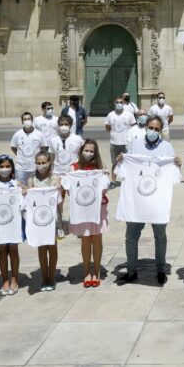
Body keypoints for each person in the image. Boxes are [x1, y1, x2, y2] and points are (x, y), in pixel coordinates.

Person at [118, 116, 181, 285]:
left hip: (157, 200)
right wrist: (121, 161)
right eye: (150, 128)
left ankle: (160, 269)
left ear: (160, 131)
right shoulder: (135, 145)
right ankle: (131, 271)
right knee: (131, 236)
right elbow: (126, 170)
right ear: (146, 127)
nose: (153, 131)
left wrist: (177, 164)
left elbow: (173, 175)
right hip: (137, 200)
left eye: (156, 129)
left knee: (160, 236)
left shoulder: (167, 148)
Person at [70, 139, 110, 287]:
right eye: (86, 150)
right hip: (82, 210)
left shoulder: (100, 167)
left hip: (98, 209)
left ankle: (97, 270)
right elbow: (70, 190)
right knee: (85, 240)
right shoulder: (73, 168)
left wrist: (105, 175)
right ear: (81, 151)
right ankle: (87, 271)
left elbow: (105, 189)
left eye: (91, 151)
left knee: (97, 239)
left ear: (96, 152)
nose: (88, 153)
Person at [0, 155, 25, 296]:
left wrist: (25, 192)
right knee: (1, 251)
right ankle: (5, 280)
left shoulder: (17, 184)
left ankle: (15, 278)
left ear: (12, 168)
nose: (5, 169)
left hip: (13, 223)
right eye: (1, 167)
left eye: (7, 166)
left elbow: (25, 200)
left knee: (13, 250)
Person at [27, 151, 61, 291]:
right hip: (38, 218)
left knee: (52, 247)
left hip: (52, 217)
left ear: (49, 163)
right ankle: (44, 276)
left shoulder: (55, 178)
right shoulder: (31, 180)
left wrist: (59, 190)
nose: (41, 166)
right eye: (38, 163)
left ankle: (51, 276)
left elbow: (60, 198)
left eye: (44, 163)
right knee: (41, 247)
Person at [49, 115, 83, 238]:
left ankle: (77, 225)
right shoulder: (54, 140)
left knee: (76, 201)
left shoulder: (77, 139)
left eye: (66, 124)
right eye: (61, 124)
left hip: (73, 175)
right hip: (58, 174)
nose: (64, 126)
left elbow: (82, 156)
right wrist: (51, 173)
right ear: (58, 125)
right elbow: (51, 157)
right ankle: (59, 226)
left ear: (70, 125)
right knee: (58, 202)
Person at [104, 97, 135, 188]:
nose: (119, 104)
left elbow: (133, 126)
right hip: (114, 143)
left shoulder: (129, 114)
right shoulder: (110, 115)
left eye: (121, 102)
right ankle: (113, 181)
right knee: (115, 163)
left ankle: (128, 181)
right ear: (115, 103)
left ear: (123, 104)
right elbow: (107, 126)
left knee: (128, 163)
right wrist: (114, 133)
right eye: (117, 102)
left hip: (126, 143)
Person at [11, 111, 47, 185]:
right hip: (21, 169)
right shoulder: (17, 134)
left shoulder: (39, 134)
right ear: (22, 121)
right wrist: (20, 156)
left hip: (35, 168)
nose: (27, 121)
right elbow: (13, 147)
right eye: (25, 119)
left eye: (29, 119)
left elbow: (44, 148)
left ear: (32, 120)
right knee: (21, 190)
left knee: (35, 189)